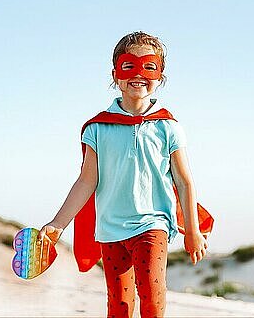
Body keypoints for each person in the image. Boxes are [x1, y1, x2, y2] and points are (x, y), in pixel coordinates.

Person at [37, 31, 210, 318]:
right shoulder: (97, 128)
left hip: (152, 224)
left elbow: (183, 181)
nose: (139, 75)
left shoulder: (169, 127)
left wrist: (192, 230)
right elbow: (86, 181)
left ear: (160, 75)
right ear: (116, 73)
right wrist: (58, 223)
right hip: (111, 230)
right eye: (130, 66)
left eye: (149, 66)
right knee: (119, 305)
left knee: (152, 300)